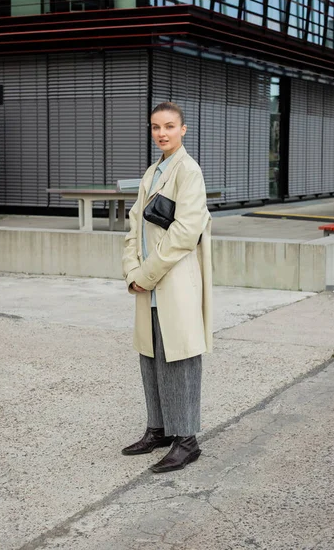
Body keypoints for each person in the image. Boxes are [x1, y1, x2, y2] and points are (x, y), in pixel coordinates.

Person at [121, 101, 213, 473]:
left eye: (169, 126)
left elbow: (185, 233)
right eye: (156, 127)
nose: (162, 133)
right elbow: (134, 226)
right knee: (151, 357)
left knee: (180, 359)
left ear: (183, 129)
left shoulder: (188, 171)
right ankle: (158, 428)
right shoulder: (152, 171)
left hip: (171, 281)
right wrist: (131, 269)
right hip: (148, 283)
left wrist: (146, 274)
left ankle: (186, 439)